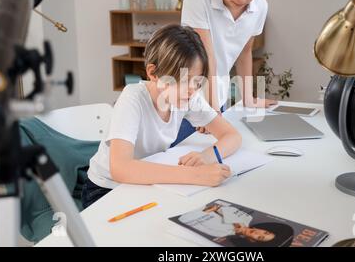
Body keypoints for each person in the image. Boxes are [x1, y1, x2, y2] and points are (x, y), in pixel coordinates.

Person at [82, 25, 242, 209]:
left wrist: (207, 156)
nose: (192, 90)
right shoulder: (132, 98)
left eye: (198, 82)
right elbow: (120, 168)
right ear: (153, 73)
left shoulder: (187, 96)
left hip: (147, 183)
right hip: (107, 190)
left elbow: (232, 136)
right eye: (184, 80)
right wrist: (197, 176)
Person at [172, 0, 277, 147]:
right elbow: (205, 55)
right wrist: (211, 113)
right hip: (187, 98)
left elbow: (245, 52)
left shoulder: (260, 6)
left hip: (216, 98)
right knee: (173, 161)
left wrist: (248, 99)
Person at [178, 202, 293, 247]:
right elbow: (220, 204)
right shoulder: (247, 217)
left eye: (260, 237)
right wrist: (236, 221)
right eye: (265, 232)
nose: (258, 233)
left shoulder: (219, 233)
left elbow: (184, 218)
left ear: (253, 240)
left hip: (181, 207)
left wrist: (208, 211)